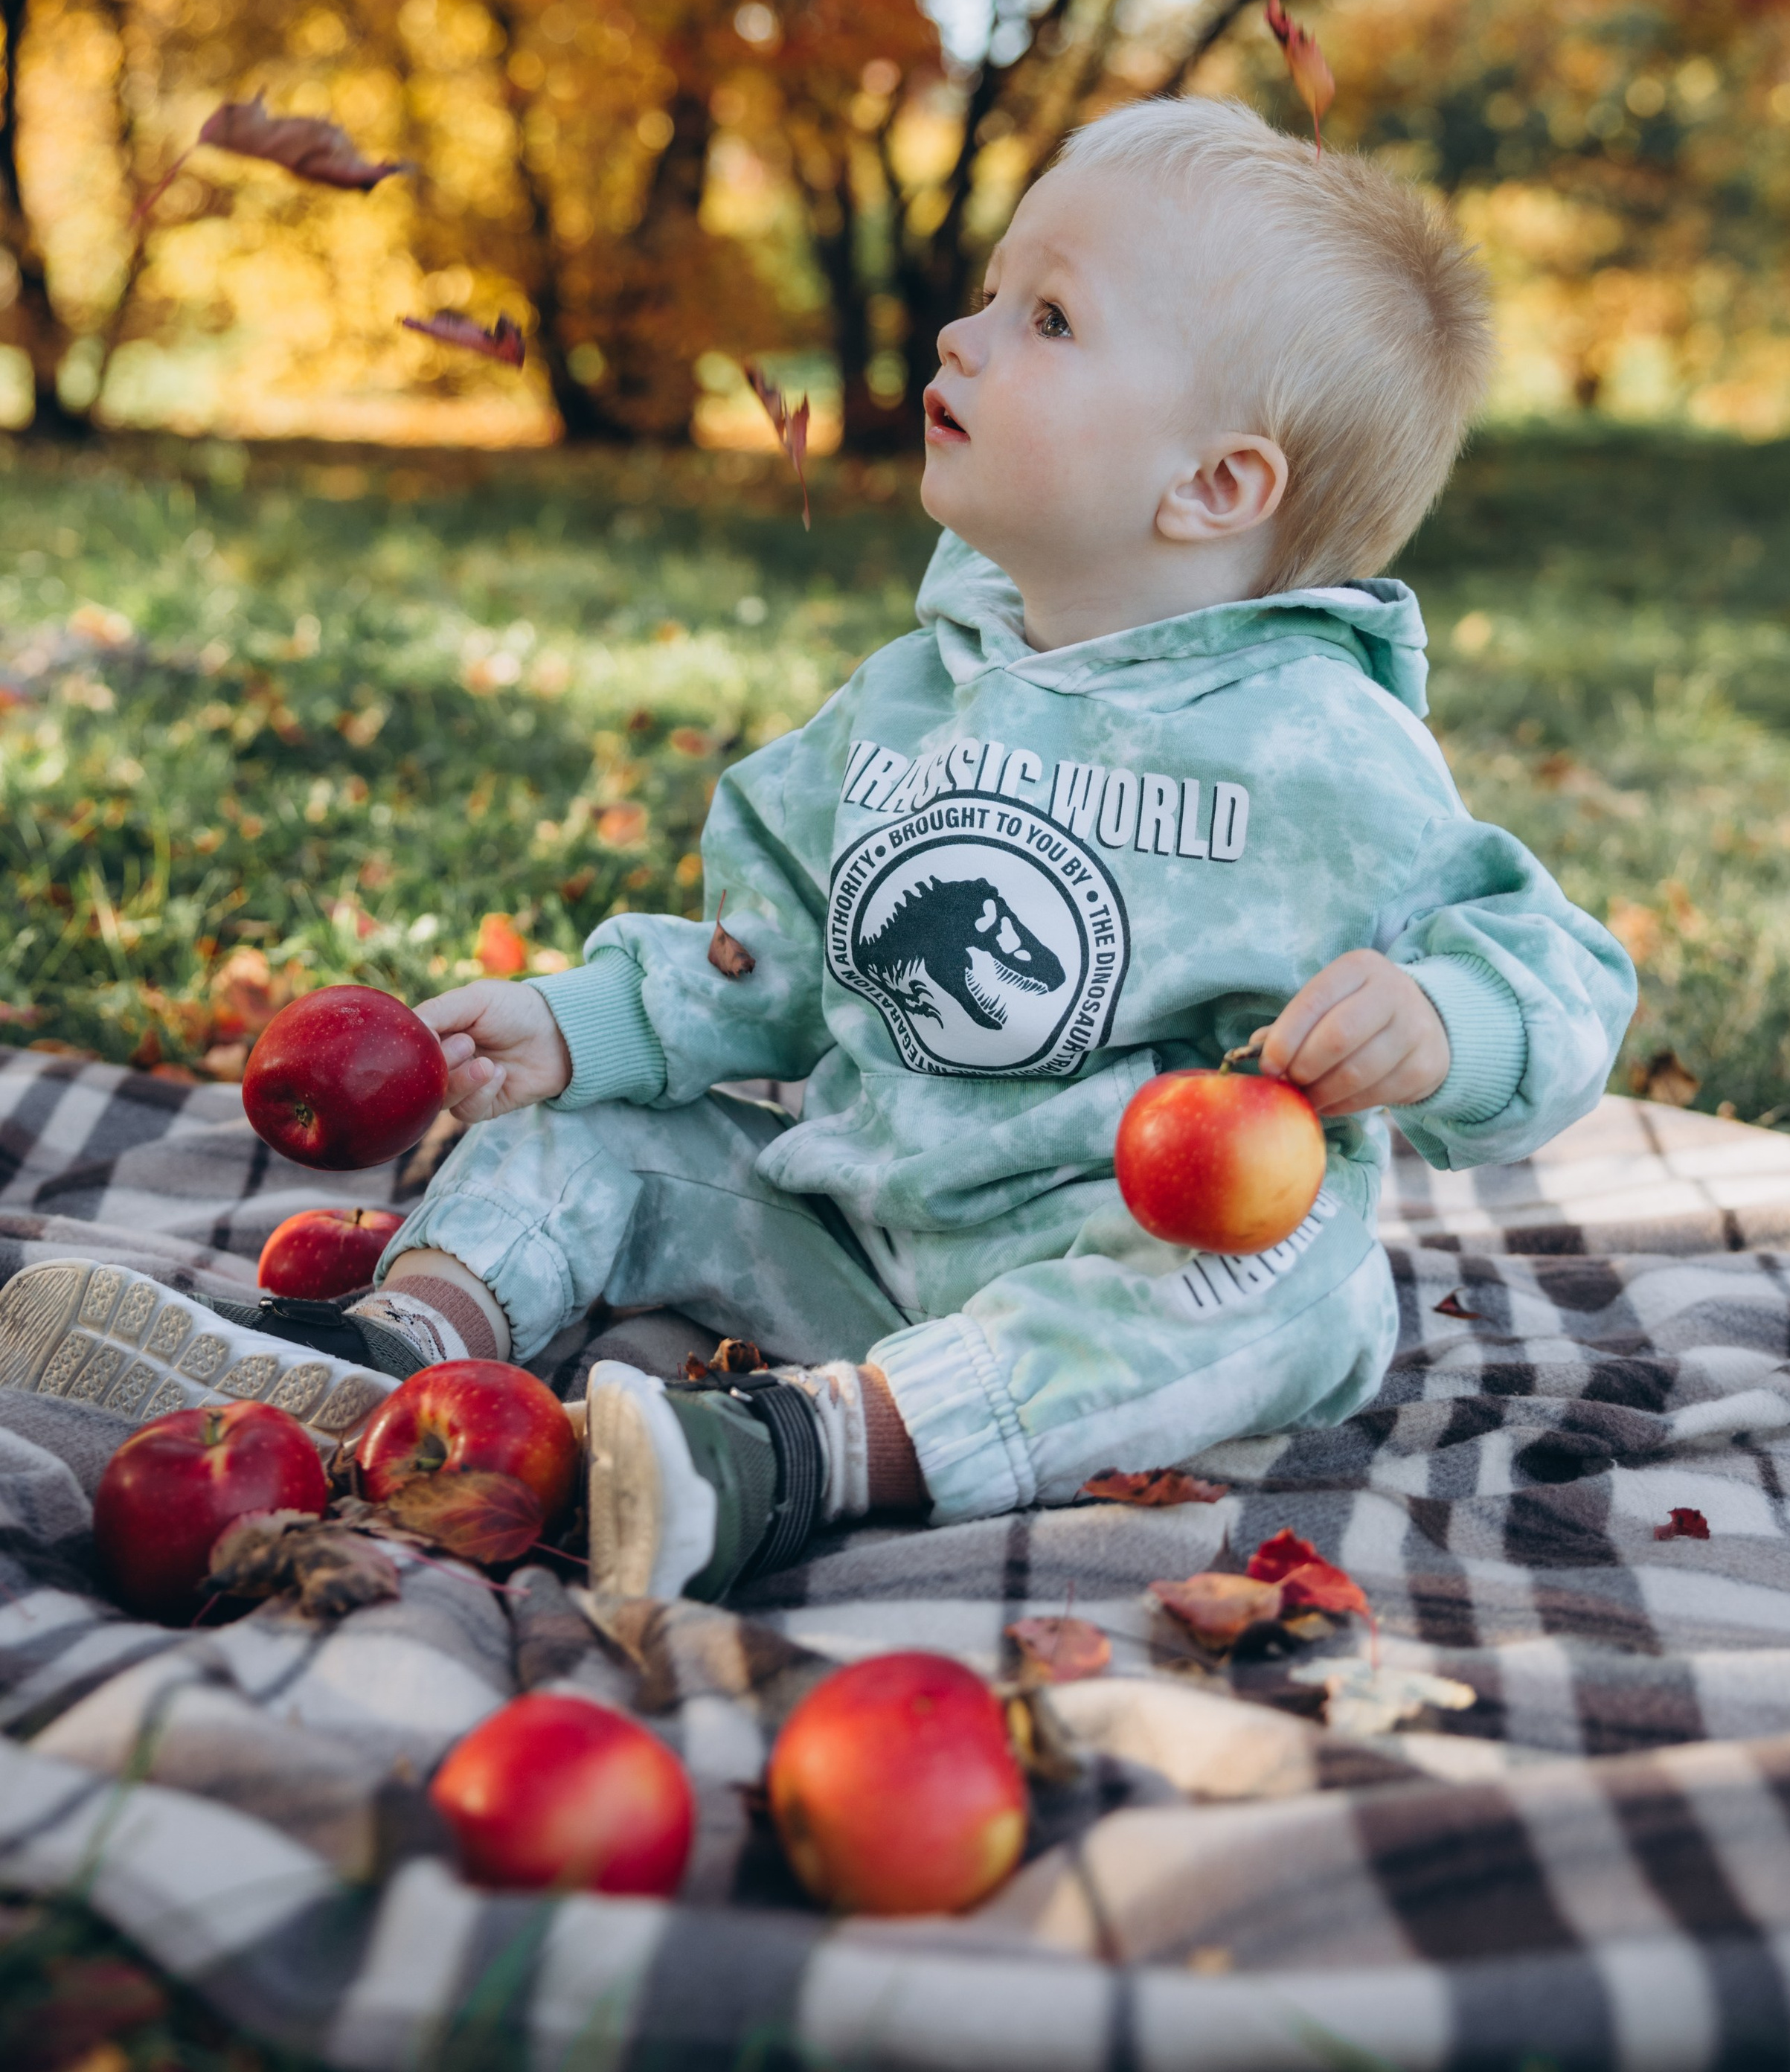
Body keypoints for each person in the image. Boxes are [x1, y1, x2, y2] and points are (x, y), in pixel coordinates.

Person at [0, 98, 1635, 1599]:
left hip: (1115, 1285)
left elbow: (1545, 963)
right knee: (603, 1137)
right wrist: (594, 1025)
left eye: (1045, 320)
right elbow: (768, 950)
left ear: (1212, 485)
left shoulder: (1315, 746)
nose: (961, 333)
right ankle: (393, 1347)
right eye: (993, 296)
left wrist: (1444, 1023)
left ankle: (803, 1456)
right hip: (853, 1233)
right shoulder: (912, 696)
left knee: (1282, 1285)